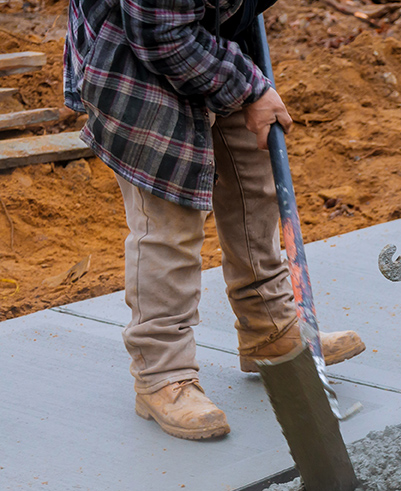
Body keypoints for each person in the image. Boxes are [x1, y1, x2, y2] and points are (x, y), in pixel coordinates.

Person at [63, 0, 364, 441]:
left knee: (253, 179)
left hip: (205, 34)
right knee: (169, 222)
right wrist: (250, 88)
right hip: (135, 60)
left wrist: (245, 80)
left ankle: (270, 329)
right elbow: (159, 33)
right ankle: (162, 375)